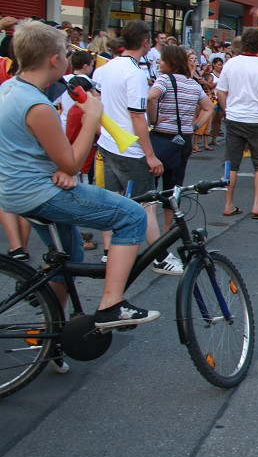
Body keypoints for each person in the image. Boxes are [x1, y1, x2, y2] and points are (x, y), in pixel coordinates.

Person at [0, 20, 157, 333]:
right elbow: (72, 163)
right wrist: (92, 118)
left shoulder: (9, 89)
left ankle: (52, 332)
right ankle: (112, 305)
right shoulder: (37, 105)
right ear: (55, 60)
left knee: (66, 258)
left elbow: (29, 147)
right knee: (132, 216)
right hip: (38, 193)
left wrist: (56, 167)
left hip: (18, 190)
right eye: (64, 53)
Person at [93, 20, 183, 275]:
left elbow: (97, 100)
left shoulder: (108, 67)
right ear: (146, 43)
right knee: (147, 203)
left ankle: (108, 252)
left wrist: (103, 132)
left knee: (112, 200)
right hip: (129, 148)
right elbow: (136, 116)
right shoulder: (135, 73)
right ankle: (160, 257)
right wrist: (150, 155)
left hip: (109, 144)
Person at [147, 45, 214, 230]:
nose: (159, 62)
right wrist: (195, 126)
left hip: (162, 137)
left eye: (162, 59)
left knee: (150, 187)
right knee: (174, 186)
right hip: (183, 138)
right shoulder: (192, 83)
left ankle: (150, 225)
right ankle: (168, 227)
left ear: (171, 62)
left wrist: (152, 119)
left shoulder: (164, 80)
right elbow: (208, 107)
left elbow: (151, 97)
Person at [216, 27, 258, 220]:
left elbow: (220, 92)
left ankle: (228, 204)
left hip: (234, 118)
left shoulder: (231, 63)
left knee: (232, 164)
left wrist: (227, 110)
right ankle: (256, 206)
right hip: (257, 119)